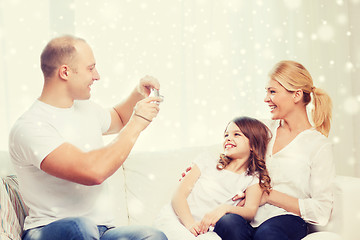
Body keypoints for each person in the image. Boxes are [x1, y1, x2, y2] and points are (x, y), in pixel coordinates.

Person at [9, 35, 167, 240]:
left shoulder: (85, 109)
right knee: (79, 227)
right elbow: (93, 172)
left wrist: (138, 94)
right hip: (49, 230)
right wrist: (137, 123)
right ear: (65, 72)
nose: (97, 76)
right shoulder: (30, 127)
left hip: (100, 231)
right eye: (90, 68)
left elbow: (119, 117)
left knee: (151, 236)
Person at [213, 60, 336, 240]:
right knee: (227, 223)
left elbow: (321, 210)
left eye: (272, 92)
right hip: (249, 212)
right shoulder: (263, 129)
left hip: (286, 219)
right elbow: (231, 151)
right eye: (266, 92)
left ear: (296, 95)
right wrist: (199, 170)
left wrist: (268, 195)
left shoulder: (318, 146)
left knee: (268, 235)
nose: (266, 99)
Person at [154, 116, 272, 240]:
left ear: (253, 144)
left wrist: (225, 208)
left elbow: (250, 211)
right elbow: (178, 196)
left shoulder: (253, 178)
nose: (228, 139)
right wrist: (190, 225)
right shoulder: (207, 160)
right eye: (226, 135)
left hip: (206, 231)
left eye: (236, 134)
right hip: (178, 220)